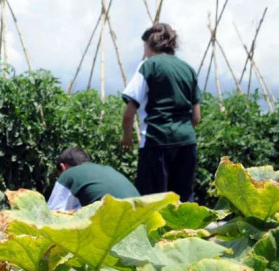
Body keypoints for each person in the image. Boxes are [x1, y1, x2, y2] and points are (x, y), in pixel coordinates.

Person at [120, 23, 201, 202]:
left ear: (151, 44)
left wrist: (127, 136)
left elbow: (129, 112)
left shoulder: (149, 66)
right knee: (182, 203)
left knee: (151, 203)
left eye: (144, 47)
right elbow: (196, 117)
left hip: (156, 141)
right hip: (186, 142)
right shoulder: (188, 69)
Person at [47, 147, 139, 210]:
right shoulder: (107, 170)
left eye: (58, 175)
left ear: (63, 167)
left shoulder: (68, 174)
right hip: (142, 221)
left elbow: (53, 216)